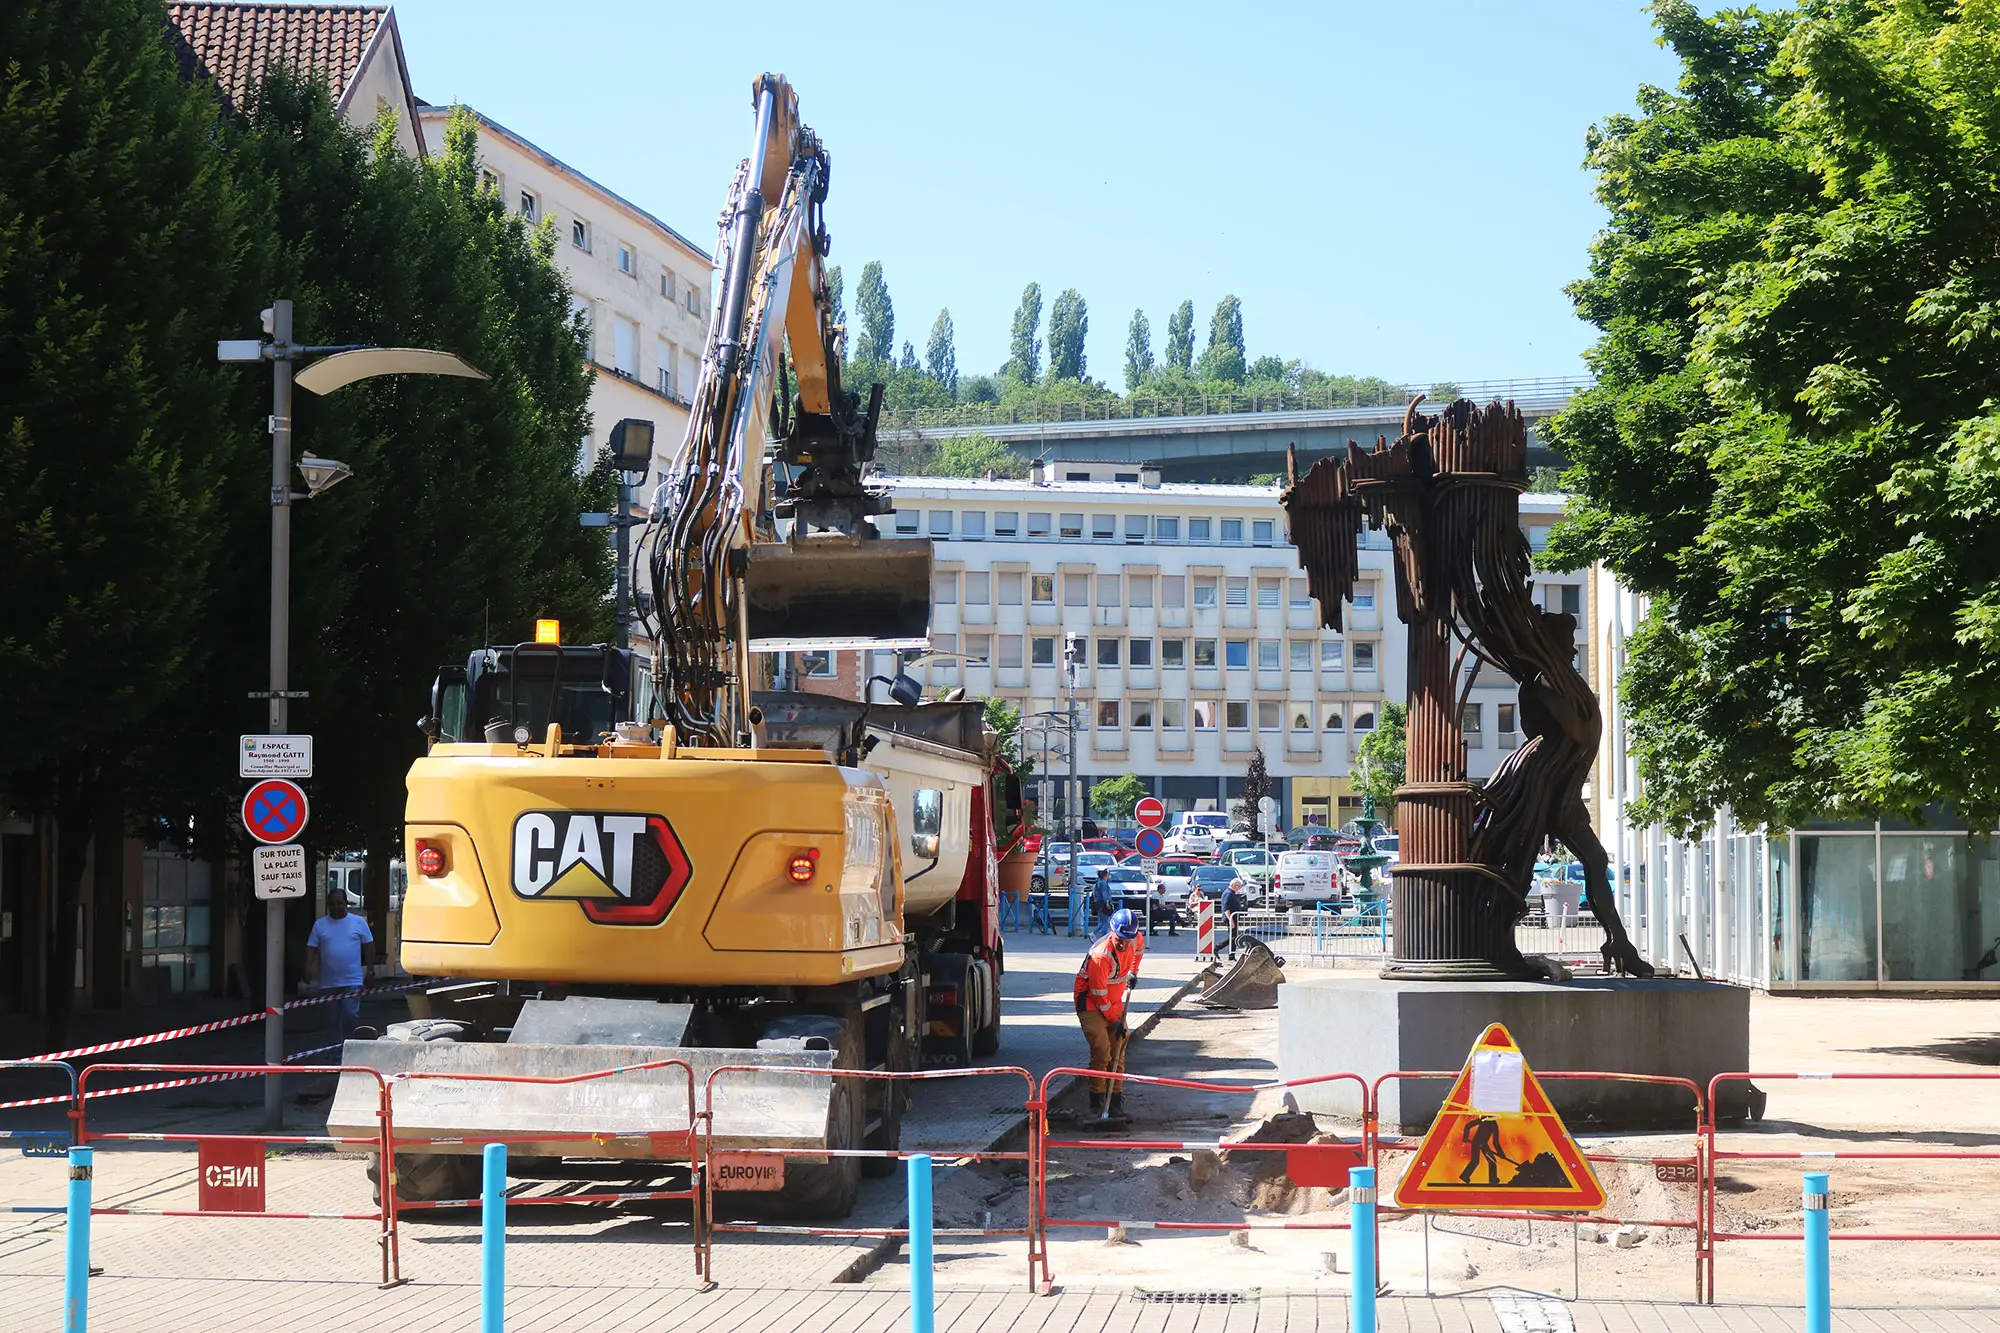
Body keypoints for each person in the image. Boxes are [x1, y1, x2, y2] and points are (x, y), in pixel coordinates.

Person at [1073, 908, 1145, 1124]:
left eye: (1128, 939)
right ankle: (1096, 1104)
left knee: (1119, 1047)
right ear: (1112, 931)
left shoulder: (1134, 937)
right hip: (1091, 1002)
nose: (1124, 944)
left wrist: (1133, 971)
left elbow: (1139, 950)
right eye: (1120, 939)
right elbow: (1098, 994)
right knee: (1102, 1048)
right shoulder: (1100, 956)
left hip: (1113, 999)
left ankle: (1115, 1104)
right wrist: (1115, 1020)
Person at [305, 887, 376, 1049]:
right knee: (331, 1021)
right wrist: (307, 967)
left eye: (339, 903)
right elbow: (311, 947)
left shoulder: (358, 922)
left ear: (346, 903)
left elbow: (369, 947)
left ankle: (350, 1048)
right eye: (332, 904)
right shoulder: (320, 925)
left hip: (352, 980)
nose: (336, 906)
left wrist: (370, 971)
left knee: (350, 1016)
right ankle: (337, 1054)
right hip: (328, 983)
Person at [1221, 876, 1250, 956]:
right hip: (1231, 918)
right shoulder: (1228, 893)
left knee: (1233, 937)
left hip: (1233, 918)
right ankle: (1220, 948)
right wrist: (1231, 920)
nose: (1239, 888)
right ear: (1234, 885)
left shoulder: (1231, 893)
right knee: (1233, 937)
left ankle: (1231, 954)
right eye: (1239, 886)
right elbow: (1226, 908)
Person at [1089, 866, 1117, 941]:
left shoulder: (1098, 883)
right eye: (1107, 875)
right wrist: (1107, 902)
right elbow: (1105, 893)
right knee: (1106, 921)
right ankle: (1100, 936)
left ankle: (1098, 934)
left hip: (1098, 903)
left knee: (1102, 921)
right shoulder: (1103, 883)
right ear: (1105, 875)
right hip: (1103, 904)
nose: (1108, 876)